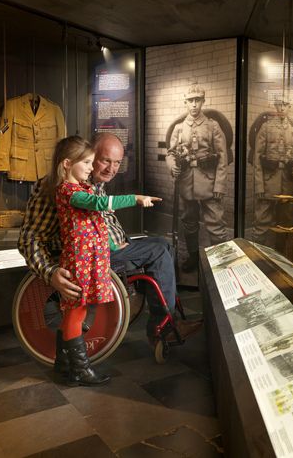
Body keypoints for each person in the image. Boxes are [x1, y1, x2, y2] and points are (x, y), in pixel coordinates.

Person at [18, 133, 202, 375]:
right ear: (90, 156)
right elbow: (29, 238)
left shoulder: (91, 184)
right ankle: (163, 327)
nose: (112, 169)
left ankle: (166, 319)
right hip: (87, 258)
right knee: (159, 251)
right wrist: (49, 272)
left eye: (117, 163)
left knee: (164, 246)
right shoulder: (54, 186)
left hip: (110, 250)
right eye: (105, 160)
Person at [48, 136, 157, 386]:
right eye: (86, 162)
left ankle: (64, 366)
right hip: (79, 262)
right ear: (67, 164)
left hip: (90, 260)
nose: (90, 167)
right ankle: (81, 369)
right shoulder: (69, 191)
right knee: (77, 312)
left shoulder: (81, 189)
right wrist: (135, 199)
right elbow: (98, 204)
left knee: (76, 313)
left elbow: (97, 225)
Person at [166, 83, 229, 272]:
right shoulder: (178, 128)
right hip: (186, 182)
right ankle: (193, 257)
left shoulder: (212, 126)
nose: (194, 105)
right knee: (189, 223)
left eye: (197, 101)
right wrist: (172, 167)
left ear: (203, 101)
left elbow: (222, 157)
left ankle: (222, 260)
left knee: (215, 225)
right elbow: (170, 152)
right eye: (190, 101)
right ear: (185, 102)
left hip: (209, 184)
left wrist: (219, 185)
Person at [253, 96, 293, 245]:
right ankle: (259, 258)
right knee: (261, 222)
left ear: (289, 107)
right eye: (279, 105)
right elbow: (257, 158)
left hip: (287, 182)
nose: (281, 108)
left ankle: (281, 257)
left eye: (285, 105)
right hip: (268, 182)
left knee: (286, 223)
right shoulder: (266, 128)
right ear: (275, 107)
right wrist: (259, 186)